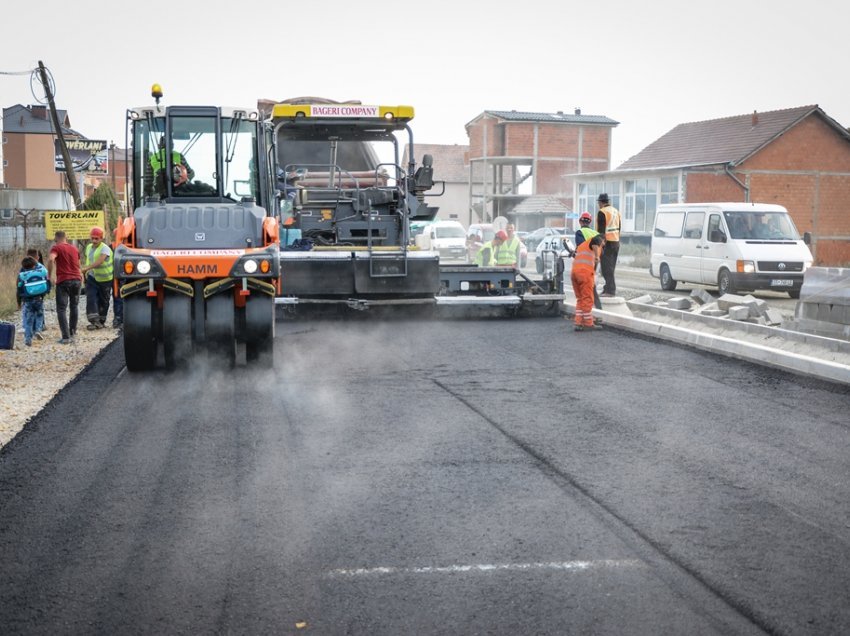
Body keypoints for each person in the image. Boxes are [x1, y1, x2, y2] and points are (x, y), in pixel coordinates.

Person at [570, 215, 604, 331]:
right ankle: (589, 323)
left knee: (580, 298)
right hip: (585, 272)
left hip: (575, 272)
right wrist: (597, 258)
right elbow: (595, 243)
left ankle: (578, 323)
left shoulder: (581, 242)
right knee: (588, 297)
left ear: (580, 221)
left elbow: (579, 250)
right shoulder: (596, 236)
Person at [48, 230, 82, 344]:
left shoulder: (56, 248)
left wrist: (49, 275)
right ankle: (72, 332)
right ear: (66, 238)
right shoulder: (75, 248)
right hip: (77, 280)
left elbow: (51, 259)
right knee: (74, 306)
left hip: (64, 281)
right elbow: (78, 264)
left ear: (56, 238)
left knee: (61, 309)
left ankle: (66, 337)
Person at [81, 226, 113, 330]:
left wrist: (86, 268)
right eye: (92, 238)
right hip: (92, 277)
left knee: (104, 300)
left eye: (97, 238)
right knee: (91, 297)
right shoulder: (89, 247)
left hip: (105, 279)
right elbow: (88, 260)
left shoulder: (105, 248)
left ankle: (101, 321)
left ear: (101, 238)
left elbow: (100, 261)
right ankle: (94, 321)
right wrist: (86, 272)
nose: (94, 240)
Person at [17, 256, 50, 346]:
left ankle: (28, 339)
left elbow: (19, 288)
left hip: (27, 301)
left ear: (23, 266)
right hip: (39, 299)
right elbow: (48, 281)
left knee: (28, 320)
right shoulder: (41, 272)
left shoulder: (22, 275)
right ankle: (38, 330)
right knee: (39, 315)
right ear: (34, 265)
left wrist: (20, 301)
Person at [596, 193, 621, 297]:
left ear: (601, 202)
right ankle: (608, 289)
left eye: (599, 203)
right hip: (616, 242)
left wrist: (600, 245)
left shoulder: (602, 212)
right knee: (611, 268)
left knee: (606, 268)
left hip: (607, 243)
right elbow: (619, 228)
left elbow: (601, 231)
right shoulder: (616, 211)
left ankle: (610, 291)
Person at [26, 248, 47, 335]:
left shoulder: (25, 267)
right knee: (39, 309)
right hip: (39, 292)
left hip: (29, 292)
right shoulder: (42, 267)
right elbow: (47, 278)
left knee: (30, 310)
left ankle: (32, 329)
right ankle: (40, 326)